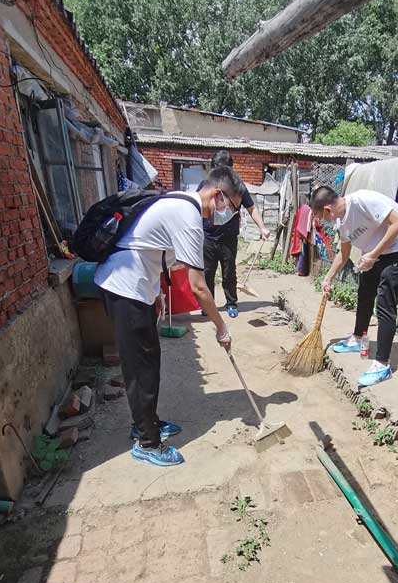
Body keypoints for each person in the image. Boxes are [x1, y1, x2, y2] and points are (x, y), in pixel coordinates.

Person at [95, 167, 244, 467]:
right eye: (229, 205)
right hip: (126, 287)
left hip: (139, 287)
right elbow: (199, 286)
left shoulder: (179, 202)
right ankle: (147, 442)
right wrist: (221, 327)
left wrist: (157, 292)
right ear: (217, 194)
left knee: (149, 362)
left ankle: (148, 422)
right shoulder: (189, 215)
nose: (228, 212)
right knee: (141, 370)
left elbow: (151, 247)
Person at [310, 185, 398, 388]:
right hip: (374, 251)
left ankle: (382, 364)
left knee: (385, 303)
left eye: (320, 216)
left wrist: (373, 255)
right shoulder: (341, 222)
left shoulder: (363, 201)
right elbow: (344, 252)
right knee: (365, 293)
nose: (322, 220)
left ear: (327, 209)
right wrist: (328, 277)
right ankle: (358, 338)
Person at [200, 150, 270, 318]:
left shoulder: (238, 187)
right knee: (207, 272)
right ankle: (207, 305)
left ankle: (231, 303)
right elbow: (196, 208)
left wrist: (262, 227)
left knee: (229, 272)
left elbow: (251, 208)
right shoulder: (205, 185)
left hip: (228, 238)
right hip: (207, 237)